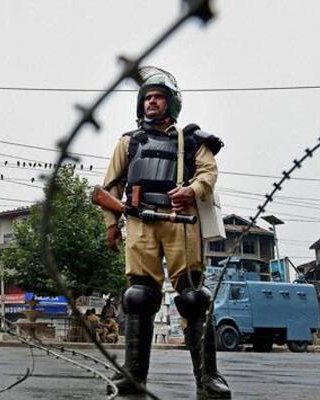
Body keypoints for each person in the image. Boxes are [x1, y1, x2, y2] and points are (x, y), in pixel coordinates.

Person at [100, 67, 231, 399]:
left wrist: (193, 190)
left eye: (158, 97)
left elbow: (208, 171)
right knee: (138, 297)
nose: (151, 103)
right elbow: (111, 186)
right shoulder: (128, 142)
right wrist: (111, 225)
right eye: (147, 98)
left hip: (180, 219)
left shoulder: (192, 139)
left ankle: (208, 377)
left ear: (171, 103)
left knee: (192, 297)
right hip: (140, 222)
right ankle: (132, 376)